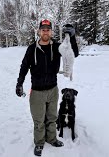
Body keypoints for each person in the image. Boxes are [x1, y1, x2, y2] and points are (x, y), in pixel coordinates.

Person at [15, 19, 79, 156]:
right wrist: (19, 83)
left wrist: (72, 37)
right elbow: (24, 66)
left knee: (52, 117)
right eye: (43, 29)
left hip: (53, 90)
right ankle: (39, 143)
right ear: (39, 31)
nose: (45, 31)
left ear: (51, 31)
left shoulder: (57, 47)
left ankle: (52, 138)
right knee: (39, 120)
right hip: (37, 91)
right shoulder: (32, 49)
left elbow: (73, 53)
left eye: (48, 29)